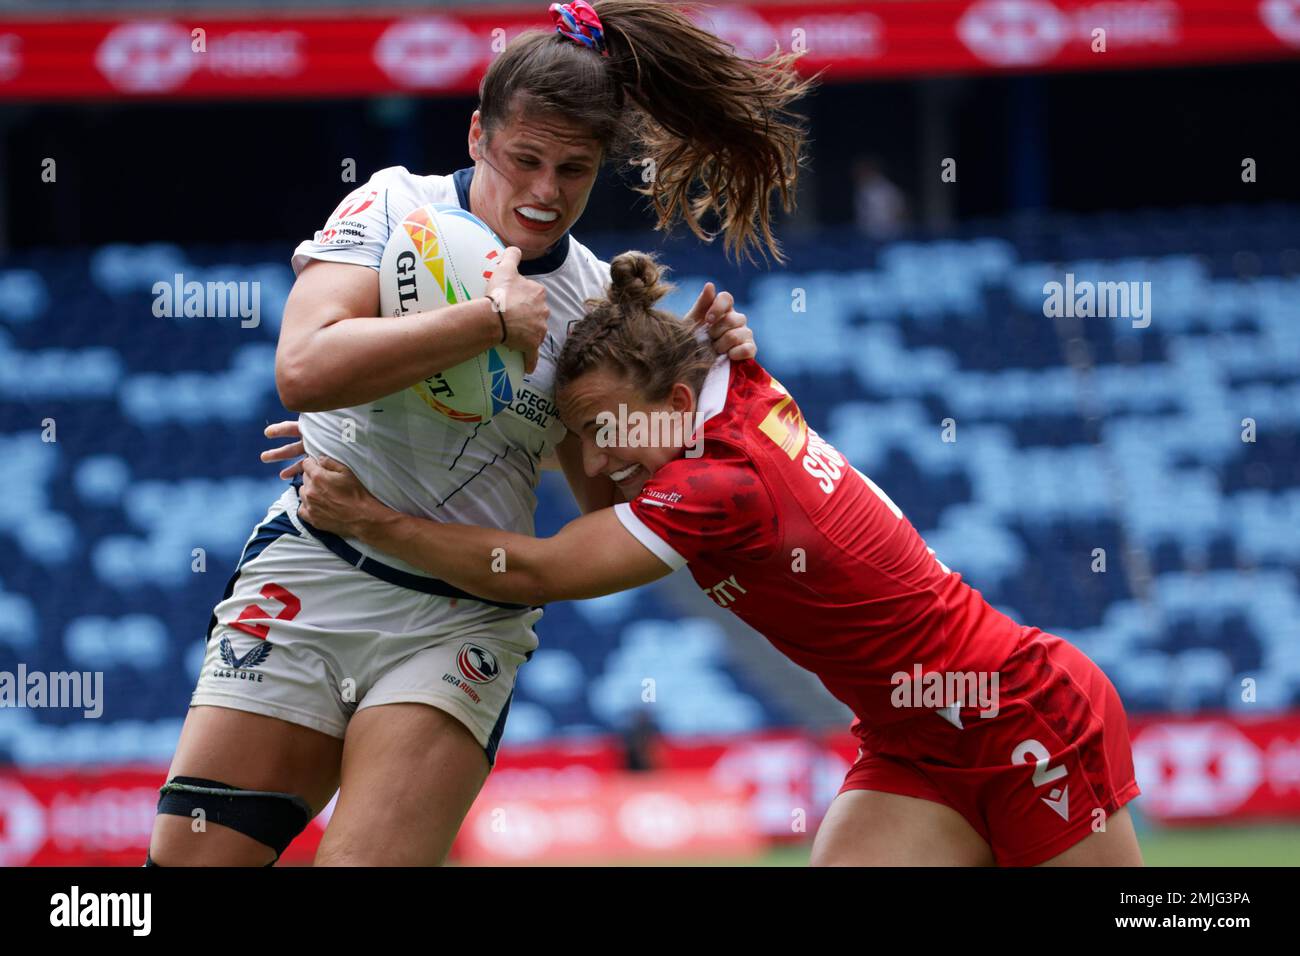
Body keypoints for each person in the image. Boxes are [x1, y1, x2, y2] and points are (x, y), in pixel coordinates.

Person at [148, 0, 813, 867]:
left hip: (463, 614)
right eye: (525, 159)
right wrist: (487, 322)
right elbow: (303, 368)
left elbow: (607, 502)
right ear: (476, 137)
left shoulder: (598, 304)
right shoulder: (392, 206)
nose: (544, 192)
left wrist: (707, 400)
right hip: (314, 571)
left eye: (573, 170)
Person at [287, 250, 1145, 867]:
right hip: (913, 738)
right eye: (582, 435)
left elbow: (543, 571)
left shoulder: (717, 487)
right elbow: (658, 406)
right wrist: (392, 429)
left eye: (606, 430)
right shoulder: (737, 387)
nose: (595, 457)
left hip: (1015, 711)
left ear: (679, 402)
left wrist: (373, 517)